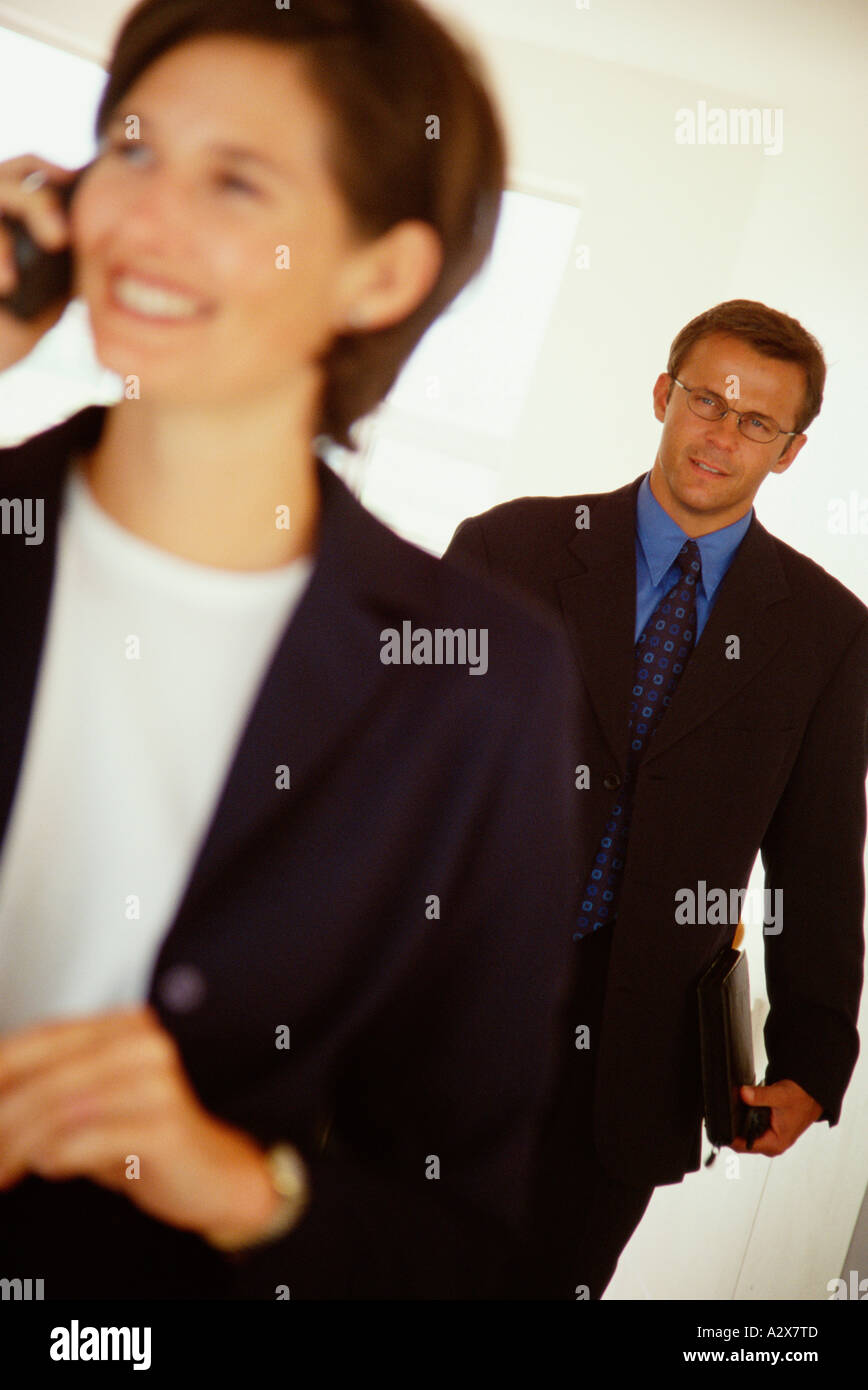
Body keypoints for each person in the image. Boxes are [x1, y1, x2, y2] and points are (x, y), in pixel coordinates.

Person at [0, 0, 580, 1299]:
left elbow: (465, 1239)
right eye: (132, 152)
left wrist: (238, 1183)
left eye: (234, 182)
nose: (139, 221)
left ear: (380, 274)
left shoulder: (479, 680)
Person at [444, 299, 868, 1299]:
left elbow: (814, 862)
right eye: (704, 399)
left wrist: (811, 1053)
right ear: (660, 395)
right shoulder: (509, 549)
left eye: (755, 421)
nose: (720, 434)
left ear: (791, 451)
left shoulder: (825, 633)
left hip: (630, 1062)